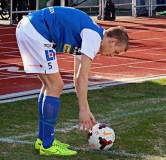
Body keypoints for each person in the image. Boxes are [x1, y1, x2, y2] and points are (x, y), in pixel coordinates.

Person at [15, 6, 129, 156]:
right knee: (56, 85)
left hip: (29, 27)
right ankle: (47, 145)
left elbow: (77, 77)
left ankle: (43, 140)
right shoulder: (94, 37)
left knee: (49, 86)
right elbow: (83, 76)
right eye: (116, 51)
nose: (113, 56)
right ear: (113, 41)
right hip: (36, 30)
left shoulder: (91, 33)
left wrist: (86, 110)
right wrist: (82, 110)